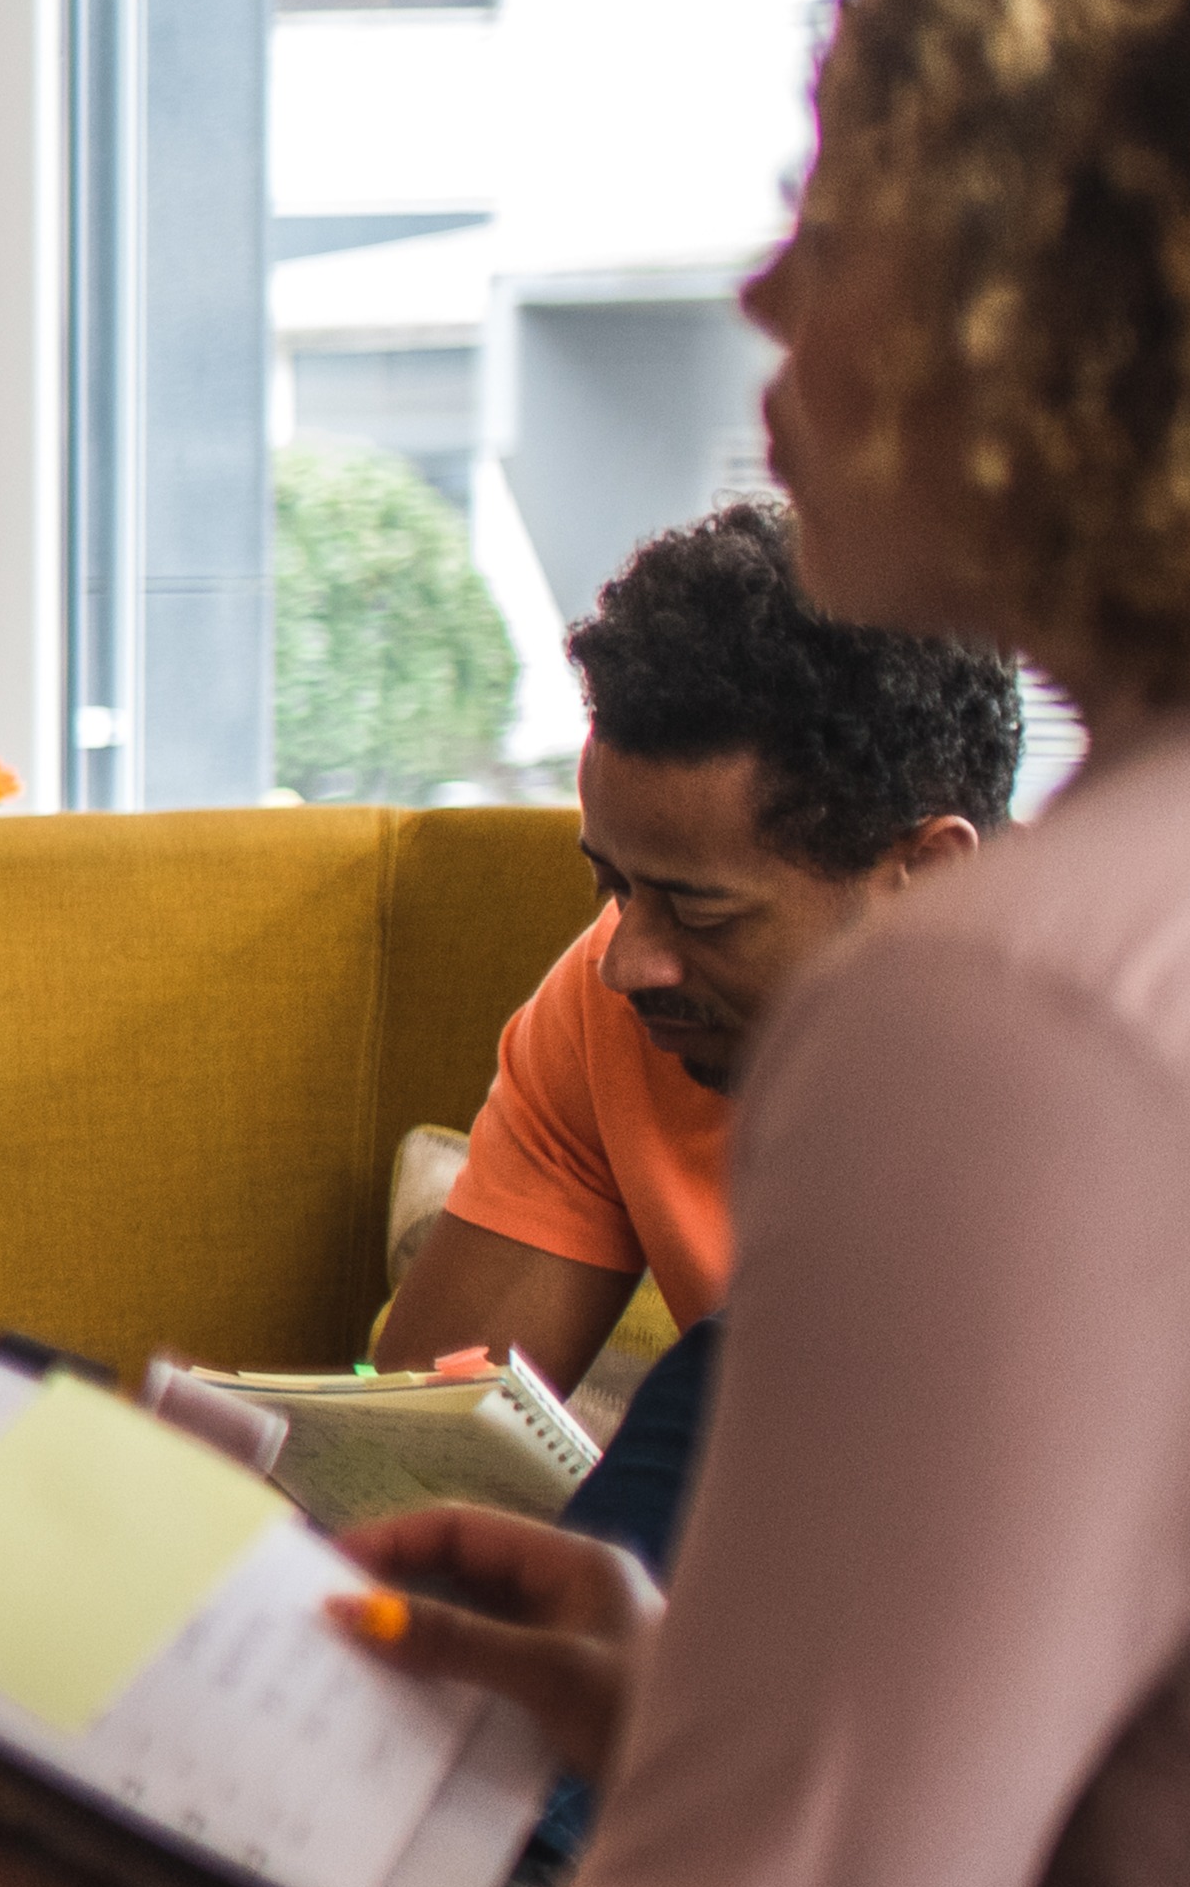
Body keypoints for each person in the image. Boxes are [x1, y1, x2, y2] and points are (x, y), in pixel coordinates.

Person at [0, 0, 1190, 1887]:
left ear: (1077, 292)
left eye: (836, 203)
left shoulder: (1028, 1013)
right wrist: (705, 1719)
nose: (761, 283)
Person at [371, 499, 1014, 1555]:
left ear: (926, 877)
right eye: (610, 885)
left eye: (698, 909)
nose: (628, 961)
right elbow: (401, 1456)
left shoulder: (1113, 1073)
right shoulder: (609, 1004)